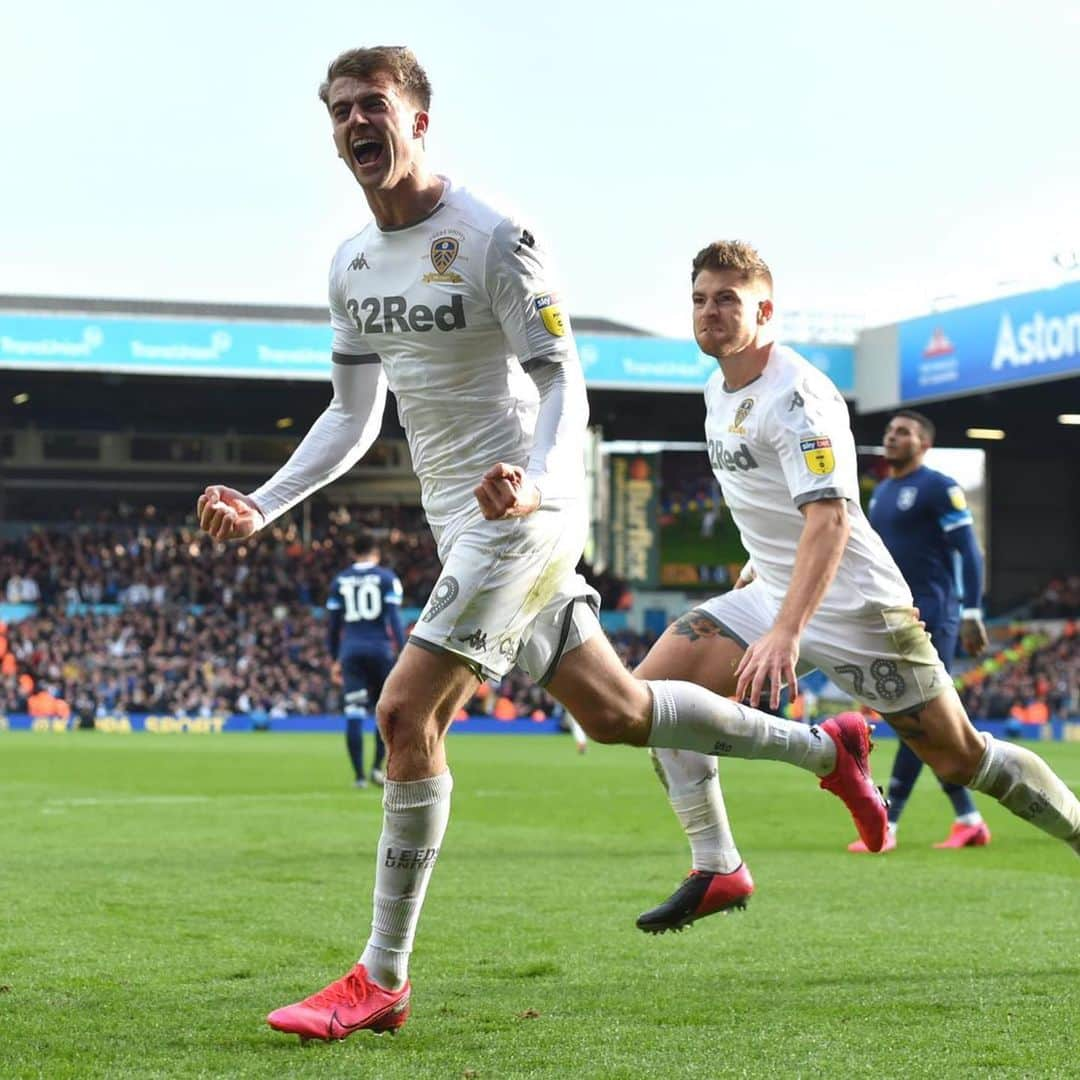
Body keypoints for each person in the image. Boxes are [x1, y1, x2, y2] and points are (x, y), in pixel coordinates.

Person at [197, 47, 887, 1043]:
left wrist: (539, 482)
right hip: (460, 520)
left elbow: (564, 379)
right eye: (341, 108)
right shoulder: (351, 265)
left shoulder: (492, 237)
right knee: (614, 712)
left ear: (418, 120)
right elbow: (351, 416)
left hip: (524, 512)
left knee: (404, 713)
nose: (357, 121)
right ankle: (827, 747)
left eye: (374, 104)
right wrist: (264, 504)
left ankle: (379, 977)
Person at [634, 240, 1080, 935]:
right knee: (653, 702)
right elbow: (772, 504)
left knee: (960, 758)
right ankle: (719, 863)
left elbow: (831, 517)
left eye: (728, 299)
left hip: (858, 608)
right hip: (775, 590)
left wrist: (785, 630)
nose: (710, 312)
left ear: (765, 309)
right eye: (700, 298)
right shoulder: (717, 389)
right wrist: (761, 575)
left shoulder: (800, 395)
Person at [846, 410, 991, 852]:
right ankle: (968, 818)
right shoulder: (883, 492)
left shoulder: (939, 488)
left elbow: (969, 550)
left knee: (920, 714)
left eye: (903, 432)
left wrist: (971, 612)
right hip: (896, 615)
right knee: (916, 717)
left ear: (923, 443)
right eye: (890, 431)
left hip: (935, 614)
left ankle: (888, 822)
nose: (892, 437)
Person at [327, 529, 405, 787]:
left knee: (354, 713)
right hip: (381, 650)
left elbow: (332, 625)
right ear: (377, 554)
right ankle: (376, 769)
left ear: (354, 553)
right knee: (386, 712)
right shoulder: (386, 578)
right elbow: (394, 619)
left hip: (351, 651)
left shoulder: (340, 581)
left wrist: (334, 658)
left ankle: (359, 776)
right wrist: (403, 652)